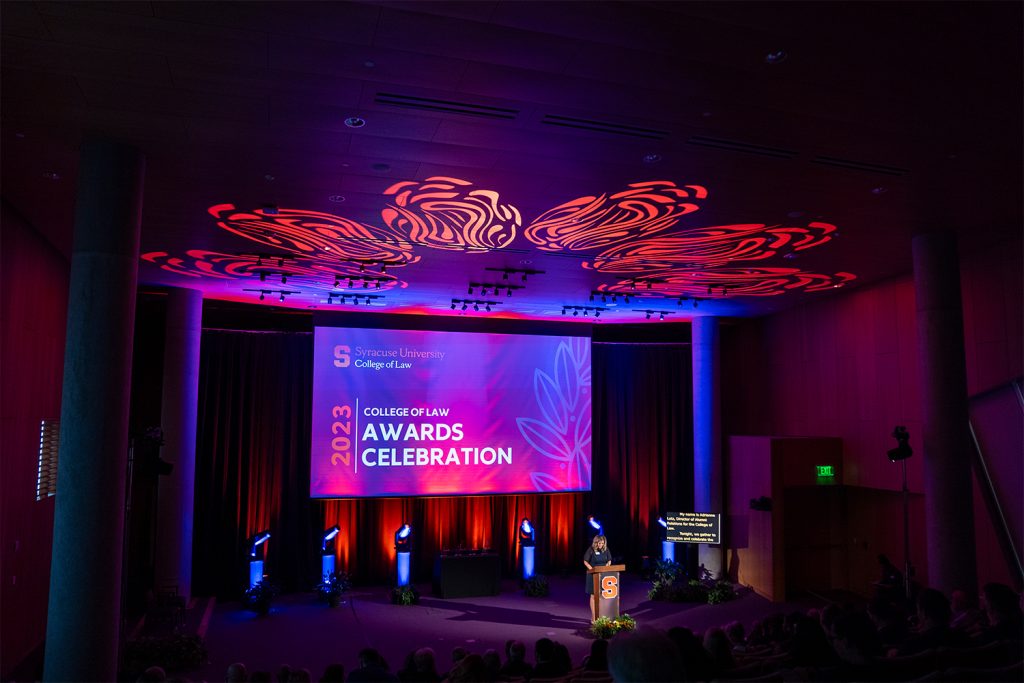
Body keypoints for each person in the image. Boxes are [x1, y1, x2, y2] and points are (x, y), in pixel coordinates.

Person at [583, 534, 612, 620]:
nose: (600, 545)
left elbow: (609, 560)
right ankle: (594, 617)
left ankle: (601, 615)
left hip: (603, 575)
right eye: (599, 543)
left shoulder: (606, 550)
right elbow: (585, 561)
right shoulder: (591, 550)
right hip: (593, 575)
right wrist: (592, 570)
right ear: (595, 542)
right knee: (593, 595)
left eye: (602, 543)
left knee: (602, 596)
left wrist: (607, 566)